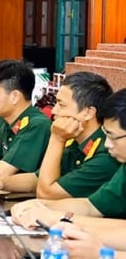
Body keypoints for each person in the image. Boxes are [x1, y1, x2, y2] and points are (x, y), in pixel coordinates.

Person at [0, 72, 118, 200]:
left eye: (61, 105)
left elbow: (46, 194)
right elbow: (38, 178)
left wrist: (56, 139)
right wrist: (2, 182)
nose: (54, 111)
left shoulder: (106, 153)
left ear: (88, 113)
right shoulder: (75, 140)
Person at [11, 89, 126, 230]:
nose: (53, 111)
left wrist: (58, 218)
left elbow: (48, 192)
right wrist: (43, 205)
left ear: (88, 112)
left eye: (112, 136)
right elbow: (91, 206)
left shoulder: (106, 157)